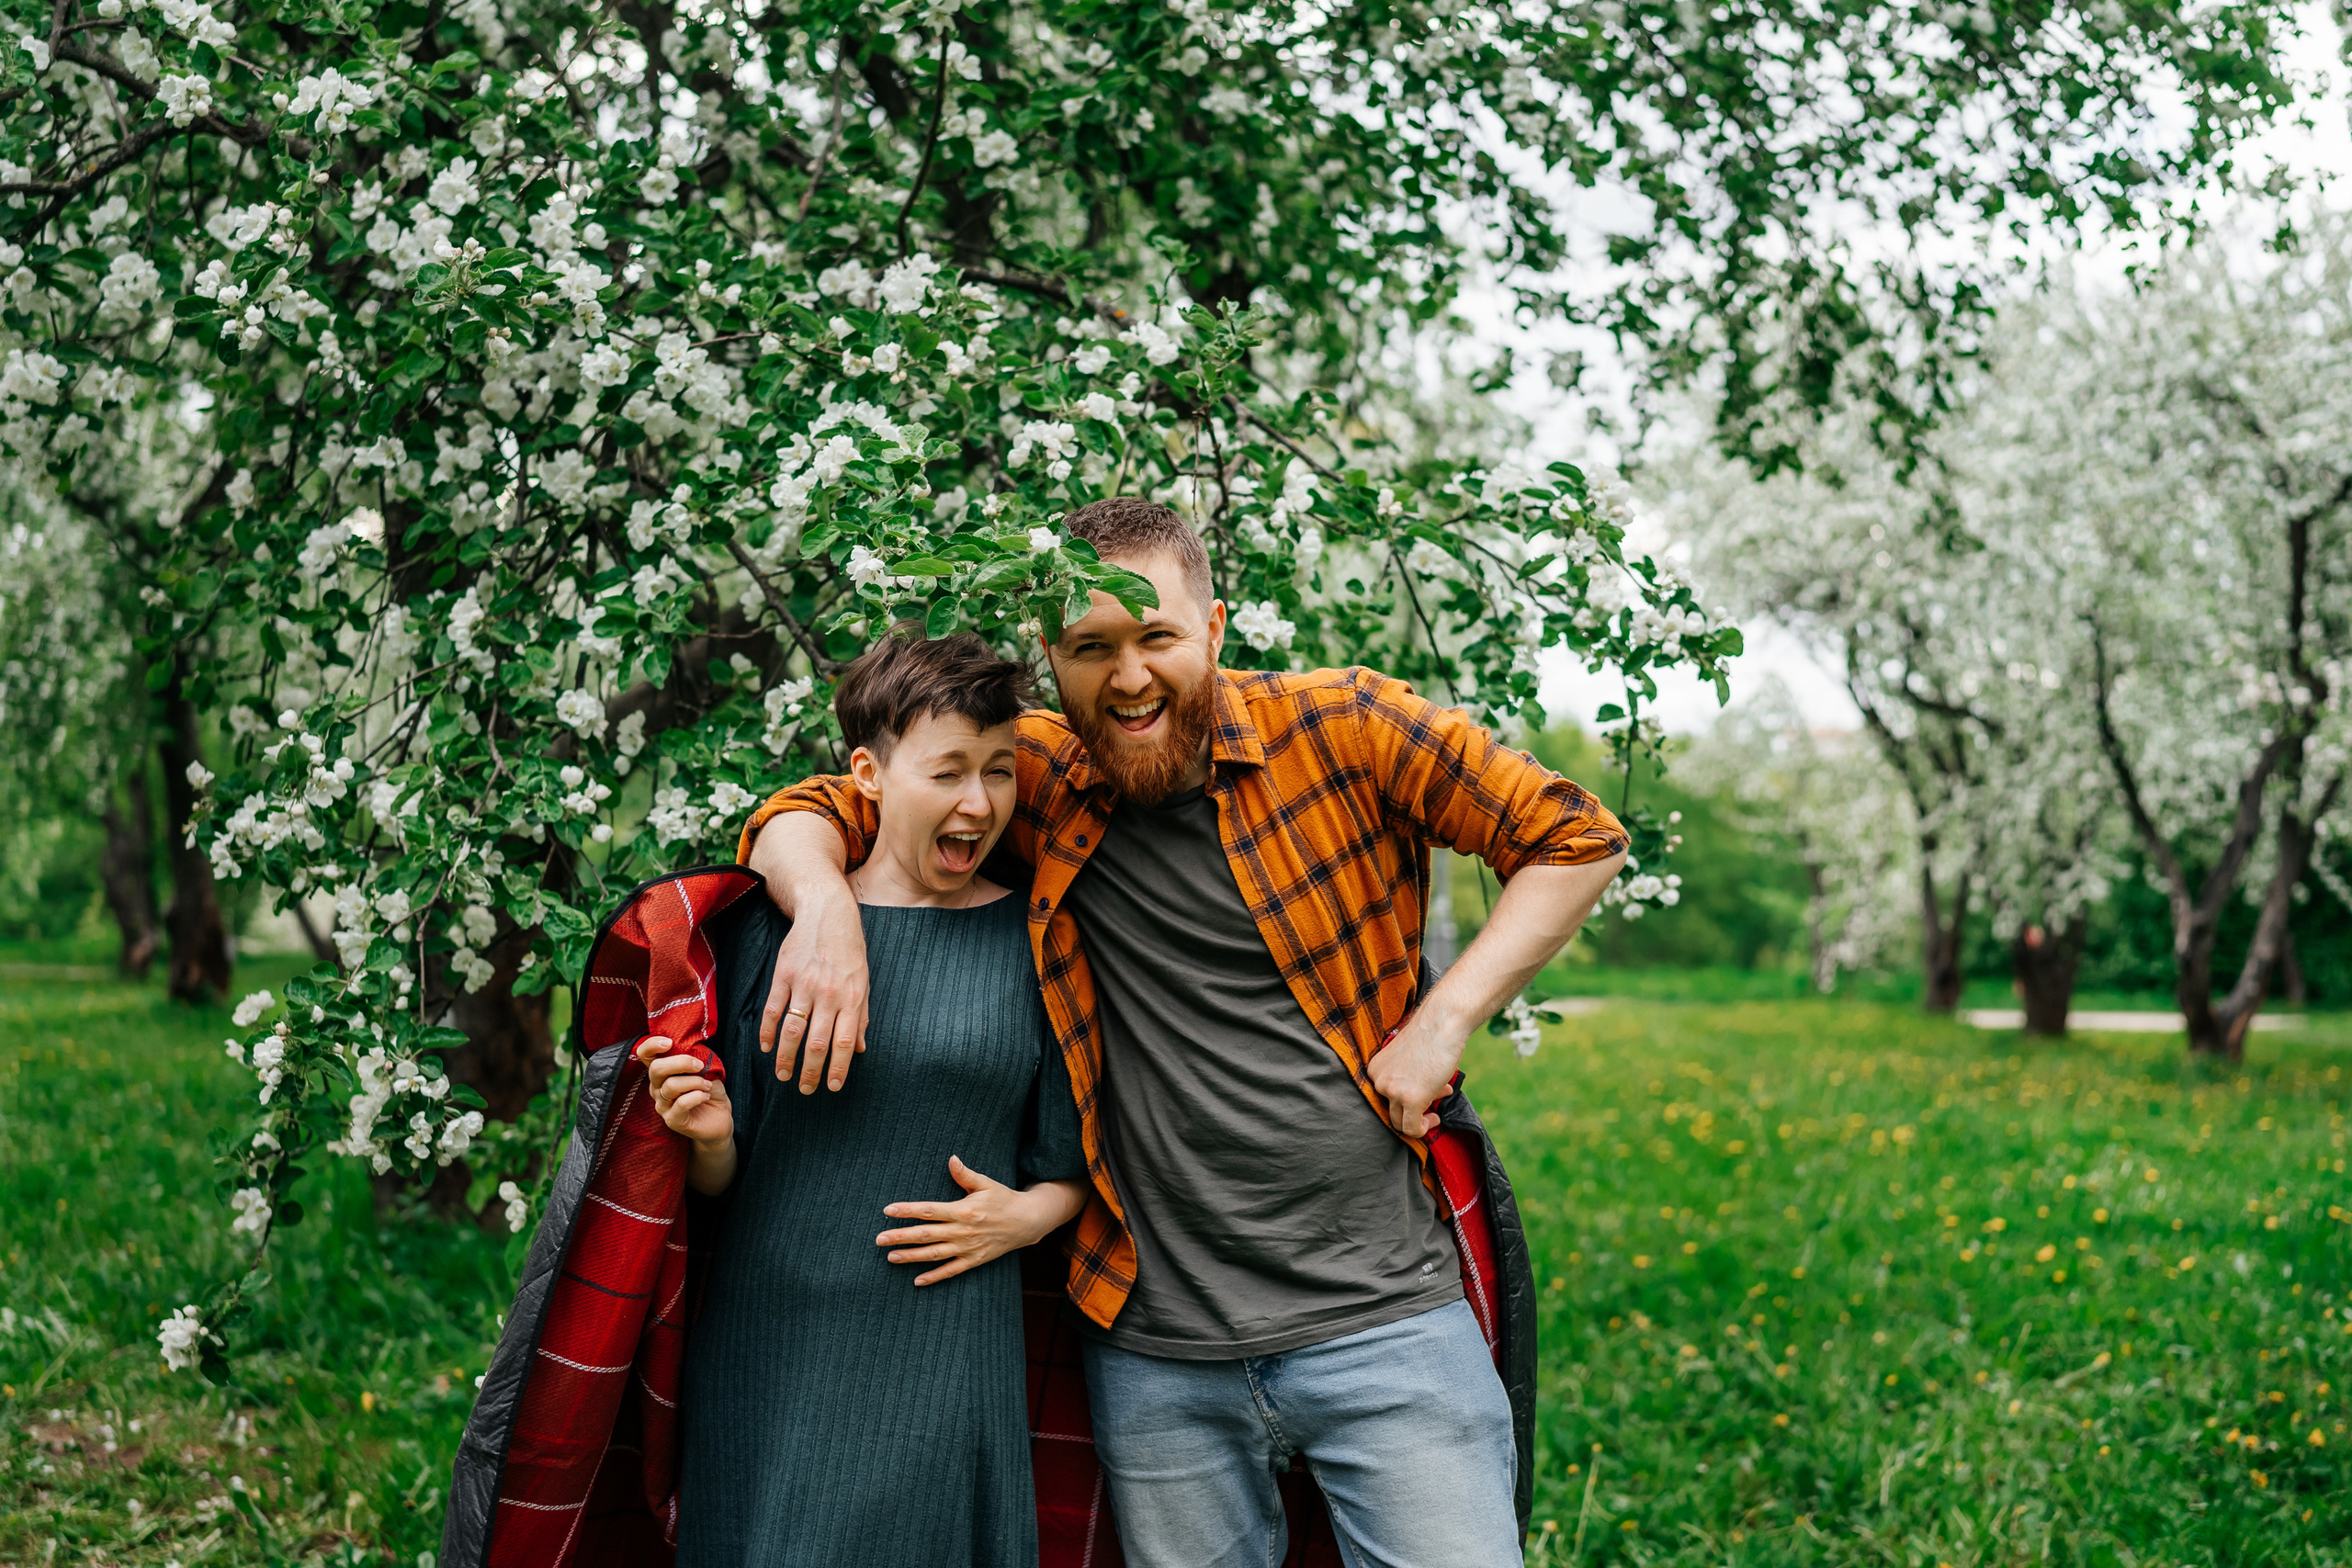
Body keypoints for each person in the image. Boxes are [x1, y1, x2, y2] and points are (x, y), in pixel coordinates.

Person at [740, 497, 1628, 1567]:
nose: (1127, 678)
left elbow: (1574, 836)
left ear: (1211, 631)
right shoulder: (1029, 773)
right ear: (1053, 657)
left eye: (1155, 637)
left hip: (1383, 1317)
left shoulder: (1345, 727)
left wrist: (1441, 1022)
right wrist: (826, 910)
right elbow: (822, 805)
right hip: (1157, 1350)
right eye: (1091, 647)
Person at [639, 629, 1091, 1568]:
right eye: (949, 771)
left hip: (943, 1344)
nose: (979, 802)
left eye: (1000, 772)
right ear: (868, 774)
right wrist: (709, 1134)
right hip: (768, 1343)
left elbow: (1074, 1164)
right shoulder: (776, 932)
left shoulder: (1038, 941)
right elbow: (724, 1182)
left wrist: (1028, 1218)